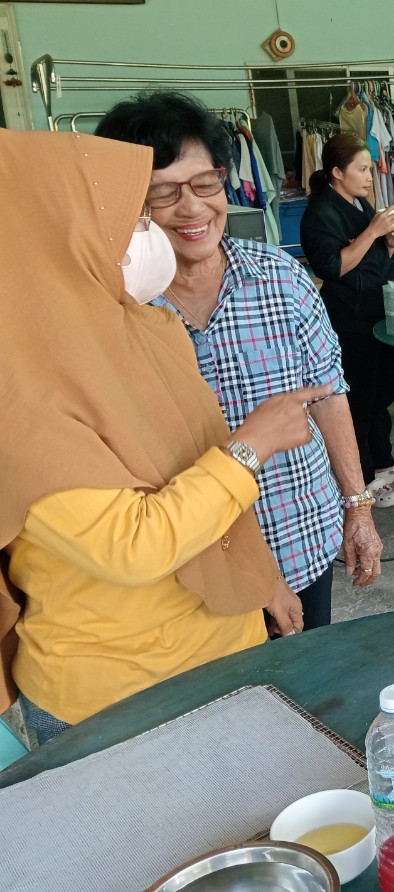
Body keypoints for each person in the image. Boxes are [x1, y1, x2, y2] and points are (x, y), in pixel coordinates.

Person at [0, 129, 321, 743]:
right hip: (118, 700)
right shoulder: (20, 395)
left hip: (224, 649)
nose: (154, 234)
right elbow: (134, 545)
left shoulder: (141, 330)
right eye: (132, 220)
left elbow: (198, 466)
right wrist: (252, 443)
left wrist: (263, 580)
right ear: (49, 244)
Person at [96, 93, 383, 632]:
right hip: (190, 565)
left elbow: (327, 392)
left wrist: (358, 507)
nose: (193, 208)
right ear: (127, 201)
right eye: (163, 192)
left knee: (307, 699)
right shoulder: (116, 308)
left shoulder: (280, 276)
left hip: (299, 533)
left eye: (206, 184)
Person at [300, 132, 394, 510]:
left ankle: (385, 462)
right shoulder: (319, 214)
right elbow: (334, 266)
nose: (371, 177)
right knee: (358, 402)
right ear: (337, 172)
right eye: (361, 169)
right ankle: (365, 478)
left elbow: (374, 263)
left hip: (377, 311)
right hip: (349, 319)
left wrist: (388, 243)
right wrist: (372, 230)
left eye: (370, 169)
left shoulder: (358, 205)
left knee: (381, 395)